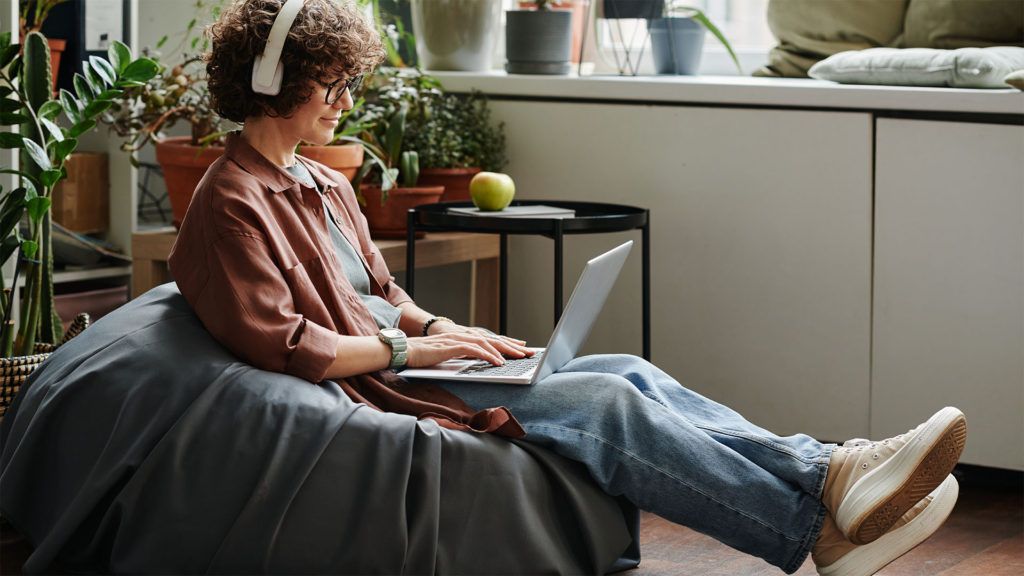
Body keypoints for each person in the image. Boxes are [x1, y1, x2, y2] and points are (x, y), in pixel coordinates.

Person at [168, 1, 968, 574]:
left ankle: (832, 470)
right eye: (332, 85)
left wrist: (452, 330)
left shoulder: (321, 179)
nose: (345, 102)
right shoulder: (231, 200)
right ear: (274, 78)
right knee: (605, 407)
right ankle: (814, 532)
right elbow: (289, 346)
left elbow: (382, 290)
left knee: (625, 370)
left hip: (416, 357)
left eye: (348, 84)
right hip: (383, 385)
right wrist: (418, 345)